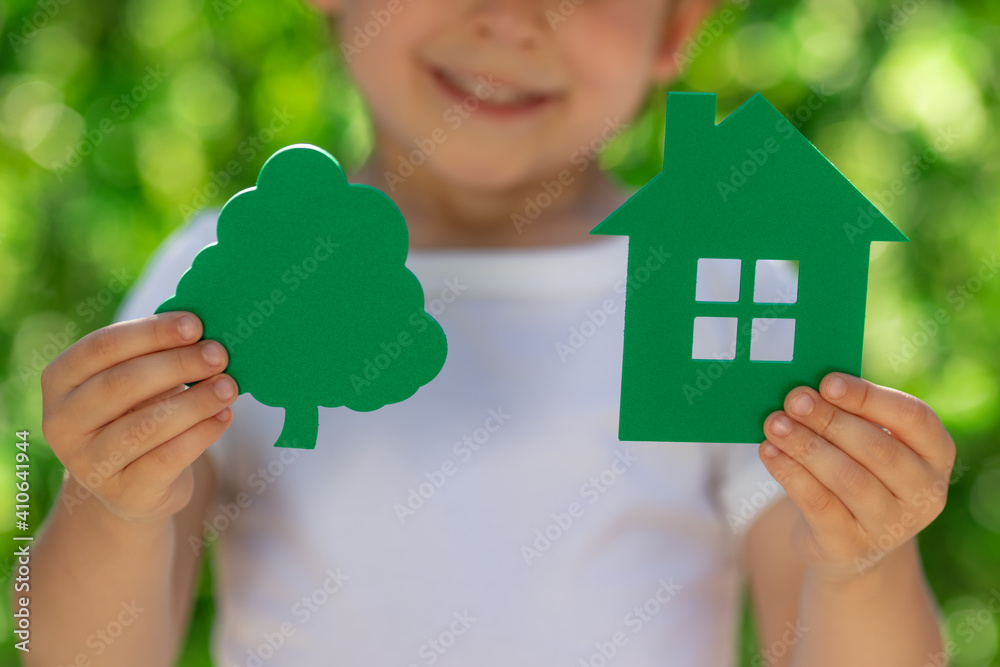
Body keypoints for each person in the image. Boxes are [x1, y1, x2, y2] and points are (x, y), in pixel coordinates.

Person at [28, 1, 957, 665]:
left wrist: (866, 563)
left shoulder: (717, 291)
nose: (511, 17)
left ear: (675, 27)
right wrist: (105, 501)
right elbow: (65, 649)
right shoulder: (219, 275)